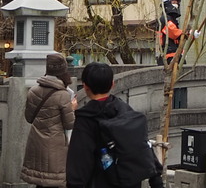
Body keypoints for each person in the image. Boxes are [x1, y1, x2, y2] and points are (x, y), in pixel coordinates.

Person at [66, 62, 164, 188]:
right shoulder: (126, 110)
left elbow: (79, 163)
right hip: (130, 182)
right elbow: (144, 147)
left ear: (85, 87)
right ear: (112, 84)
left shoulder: (86, 119)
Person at [21, 54, 76, 188]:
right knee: (52, 182)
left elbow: (29, 118)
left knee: (40, 182)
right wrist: (72, 108)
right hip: (54, 144)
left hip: (36, 142)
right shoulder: (63, 95)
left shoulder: (33, 91)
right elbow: (70, 123)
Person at [158, 0, 200, 64]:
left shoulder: (173, 20)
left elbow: (180, 37)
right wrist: (189, 33)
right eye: (174, 2)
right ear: (167, 4)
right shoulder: (164, 19)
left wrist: (191, 35)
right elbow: (174, 33)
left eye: (177, 3)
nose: (176, 5)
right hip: (169, 57)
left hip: (176, 55)